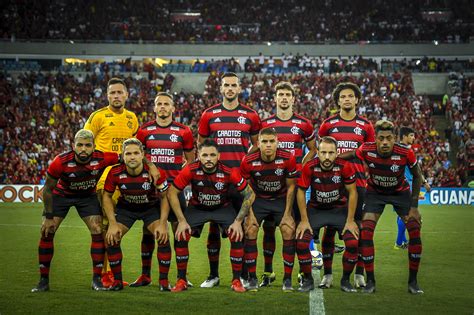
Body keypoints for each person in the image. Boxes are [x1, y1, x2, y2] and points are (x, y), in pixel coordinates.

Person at [340, 120, 424, 294]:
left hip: (400, 193)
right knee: (366, 232)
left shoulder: (406, 152)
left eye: (389, 138)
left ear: (394, 138)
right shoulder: (366, 149)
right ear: (375, 139)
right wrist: (332, 157)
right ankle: (370, 281)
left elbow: (417, 176)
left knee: (414, 230)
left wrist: (414, 206)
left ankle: (413, 282)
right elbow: (350, 155)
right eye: (381, 138)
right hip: (375, 193)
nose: (385, 142)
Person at [31, 129, 120, 292]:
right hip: (62, 195)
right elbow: (47, 190)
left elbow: (127, 157)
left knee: (97, 229)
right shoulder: (61, 161)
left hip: (87, 197)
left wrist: (150, 166)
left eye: (87, 145)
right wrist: (49, 216)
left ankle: (96, 280)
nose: (83, 149)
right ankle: (43, 281)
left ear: (94, 147)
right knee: (47, 231)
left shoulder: (102, 158)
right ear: (73, 146)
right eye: (80, 145)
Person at [197, 72, 261, 288]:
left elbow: (257, 146)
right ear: (221, 88)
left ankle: (242, 275)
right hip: (216, 181)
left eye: (234, 85)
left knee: (241, 226)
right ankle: (213, 275)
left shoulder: (251, 115)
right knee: (214, 227)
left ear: (239, 88)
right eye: (227, 85)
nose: (230, 88)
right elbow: (201, 145)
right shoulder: (209, 114)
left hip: (241, 181)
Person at [168, 139, 255, 293]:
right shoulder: (191, 169)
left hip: (223, 208)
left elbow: (249, 193)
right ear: (198, 156)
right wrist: (181, 221)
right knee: (181, 234)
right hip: (198, 208)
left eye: (212, 155)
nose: (208, 158)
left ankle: (236, 280)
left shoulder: (229, 171)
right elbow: (172, 192)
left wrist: (238, 221)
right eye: (205, 155)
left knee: (236, 234)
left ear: (218, 156)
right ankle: (181, 279)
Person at [132, 92, 195, 290]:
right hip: (151, 191)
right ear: (154, 107)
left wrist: (182, 182)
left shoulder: (183, 131)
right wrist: (149, 166)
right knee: (148, 231)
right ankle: (145, 275)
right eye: (159, 104)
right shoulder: (144, 130)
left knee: (179, 232)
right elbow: (137, 155)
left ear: (173, 108)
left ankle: (182, 277)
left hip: (174, 191)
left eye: (166, 104)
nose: (163, 107)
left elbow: (191, 161)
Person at [258, 81, 317, 287]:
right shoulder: (265, 124)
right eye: (280, 94)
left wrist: (302, 166)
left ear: (293, 99)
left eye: (287, 95)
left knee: (296, 228)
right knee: (269, 228)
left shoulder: (304, 124)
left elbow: (313, 149)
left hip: (295, 184)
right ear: (275, 98)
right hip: (272, 184)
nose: (283, 98)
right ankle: (268, 271)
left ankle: (301, 273)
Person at [318, 82, 375, 288]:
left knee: (358, 229)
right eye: (343, 97)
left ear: (357, 99)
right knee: (329, 229)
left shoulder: (366, 126)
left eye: (351, 96)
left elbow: (370, 155)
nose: (347, 99)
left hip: (358, 184)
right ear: (338, 100)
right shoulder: (328, 125)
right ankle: (328, 274)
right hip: (331, 184)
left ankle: (359, 274)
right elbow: (321, 152)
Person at [84, 77, 140, 287]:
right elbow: (84, 144)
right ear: (107, 96)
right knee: (105, 226)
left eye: (120, 92)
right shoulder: (97, 116)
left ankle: (109, 274)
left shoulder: (132, 118)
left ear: (126, 95)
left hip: (127, 180)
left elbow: (136, 148)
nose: (116, 96)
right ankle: (101, 275)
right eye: (112, 93)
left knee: (115, 227)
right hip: (104, 178)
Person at [241, 127, 312, 292]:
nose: (268, 145)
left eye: (271, 141)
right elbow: (246, 189)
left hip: (280, 200)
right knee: (250, 229)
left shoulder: (287, 158)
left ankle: (287, 279)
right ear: (258, 143)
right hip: (258, 200)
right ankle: (252, 278)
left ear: (277, 142)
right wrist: (249, 215)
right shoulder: (248, 160)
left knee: (288, 229)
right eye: (264, 142)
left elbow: (291, 187)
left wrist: (287, 214)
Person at [102, 138, 169, 291]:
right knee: (111, 238)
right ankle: (117, 281)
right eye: (128, 153)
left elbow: (165, 197)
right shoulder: (115, 172)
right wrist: (112, 224)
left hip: (150, 209)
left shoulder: (155, 172)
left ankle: (163, 282)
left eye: (136, 153)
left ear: (142, 155)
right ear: (123, 156)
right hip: (126, 209)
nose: (132, 157)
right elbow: (106, 196)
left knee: (163, 237)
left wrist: (163, 224)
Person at [295, 136, 359, 292]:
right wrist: (303, 220)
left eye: (331, 153)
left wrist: (350, 220)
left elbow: (353, 192)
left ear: (337, 153)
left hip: (339, 209)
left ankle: (345, 280)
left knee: (353, 243)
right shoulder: (309, 166)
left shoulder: (345, 166)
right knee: (302, 242)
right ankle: (309, 280)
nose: (327, 157)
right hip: (316, 210)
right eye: (323, 152)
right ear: (317, 152)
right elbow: (301, 192)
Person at [394, 127, 431, 249]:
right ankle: (399, 243)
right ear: (404, 136)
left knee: (402, 215)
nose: (413, 138)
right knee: (409, 215)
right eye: (411, 135)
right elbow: (417, 171)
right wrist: (424, 182)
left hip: (402, 185)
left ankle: (402, 241)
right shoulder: (403, 151)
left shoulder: (399, 149)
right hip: (406, 185)